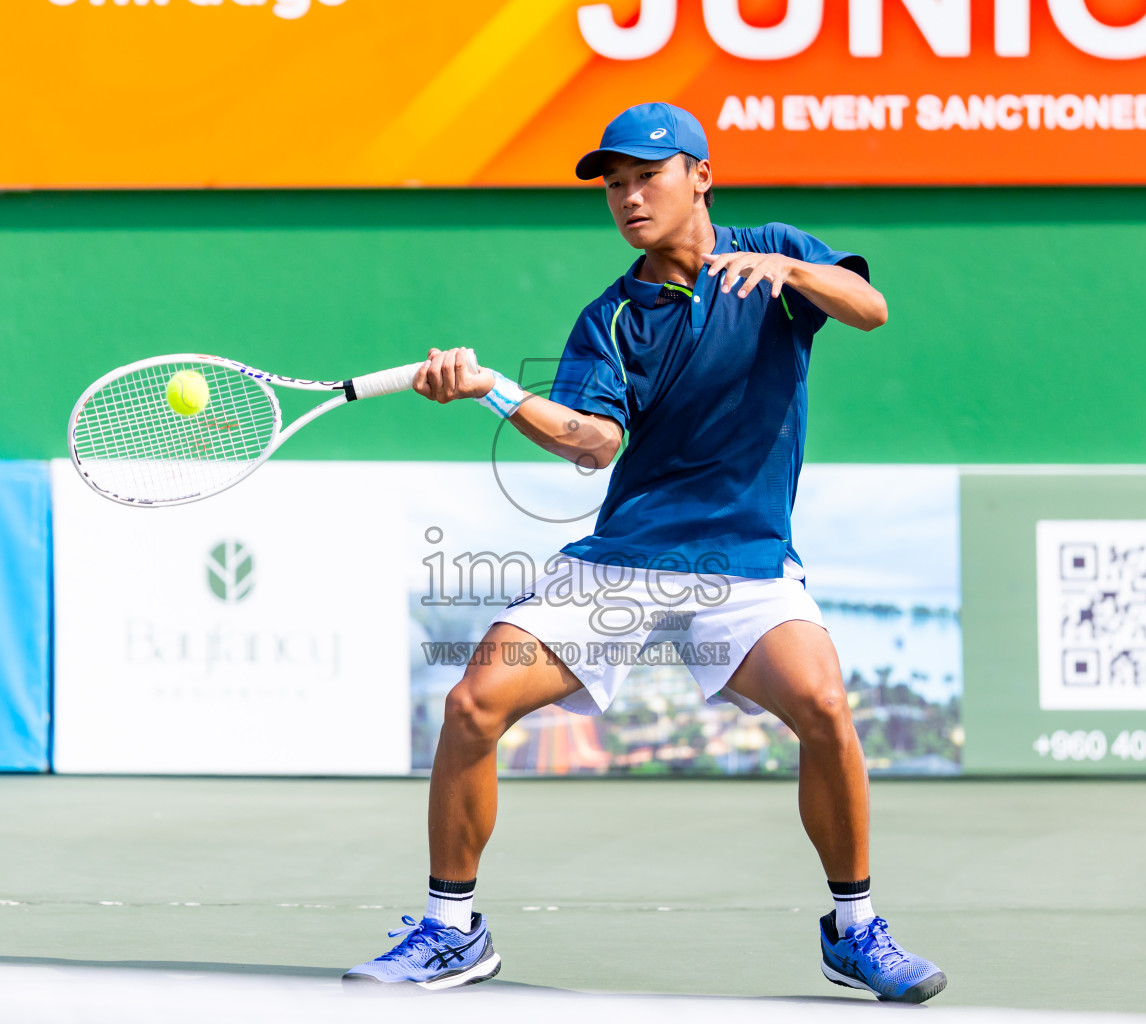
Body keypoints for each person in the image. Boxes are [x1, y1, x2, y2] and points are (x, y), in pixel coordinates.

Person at [342, 102, 946, 1004]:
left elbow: (871, 309)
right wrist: (492, 391)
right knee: (473, 703)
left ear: (701, 176)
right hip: (624, 562)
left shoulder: (775, 254)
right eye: (614, 185)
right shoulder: (613, 318)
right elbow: (592, 443)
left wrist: (789, 267)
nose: (628, 198)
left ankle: (855, 932)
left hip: (745, 560)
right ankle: (450, 930)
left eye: (646, 177)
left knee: (823, 702)